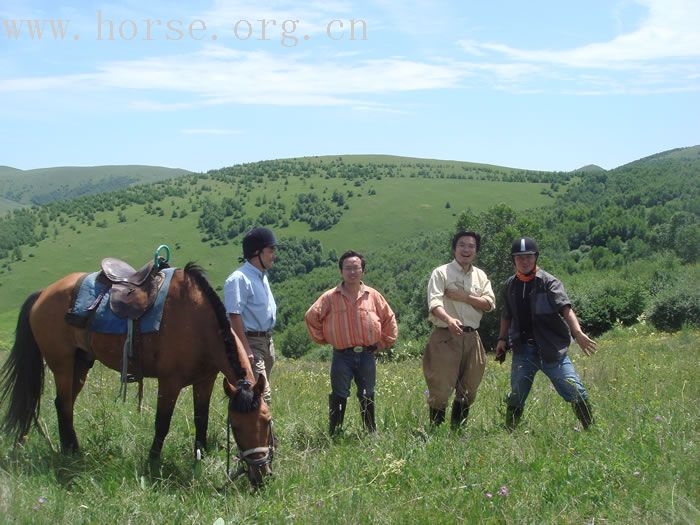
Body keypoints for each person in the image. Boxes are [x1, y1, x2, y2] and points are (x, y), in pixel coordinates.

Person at [495, 237, 596, 430]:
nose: (525, 261)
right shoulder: (510, 285)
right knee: (517, 392)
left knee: (572, 387)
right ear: (514, 260)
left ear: (535, 257)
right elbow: (506, 315)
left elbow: (565, 308)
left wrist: (577, 333)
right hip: (522, 349)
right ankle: (510, 431)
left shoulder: (549, 282)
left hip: (551, 349)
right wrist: (502, 339)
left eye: (529, 257)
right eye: (520, 257)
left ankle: (590, 428)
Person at [305, 250, 398, 434]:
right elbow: (311, 317)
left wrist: (383, 342)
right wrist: (324, 338)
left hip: (367, 354)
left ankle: (370, 432)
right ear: (341, 271)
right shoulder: (330, 297)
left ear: (363, 271)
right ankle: (335, 432)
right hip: (342, 355)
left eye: (356, 268)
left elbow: (389, 318)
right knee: (339, 393)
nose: (352, 272)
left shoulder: (373, 295)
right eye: (348, 268)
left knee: (367, 393)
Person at [423, 231, 495, 428]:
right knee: (440, 387)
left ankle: (457, 433)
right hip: (445, 336)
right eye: (462, 245)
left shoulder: (480, 276)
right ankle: (435, 433)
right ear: (454, 249)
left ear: (476, 251)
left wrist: (464, 297)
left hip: (472, 337)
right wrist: (449, 319)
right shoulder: (441, 273)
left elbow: (489, 304)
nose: (466, 249)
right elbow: (434, 303)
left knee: (470, 387)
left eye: (471, 246)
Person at [223, 227, 278, 405]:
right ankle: (263, 432)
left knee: (257, 393)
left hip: (266, 342)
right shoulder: (239, 278)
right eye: (271, 250)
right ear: (257, 252)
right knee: (262, 395)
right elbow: (234, 316)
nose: (274, 255)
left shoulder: (261, 276)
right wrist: (246, 350)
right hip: (251, 343)